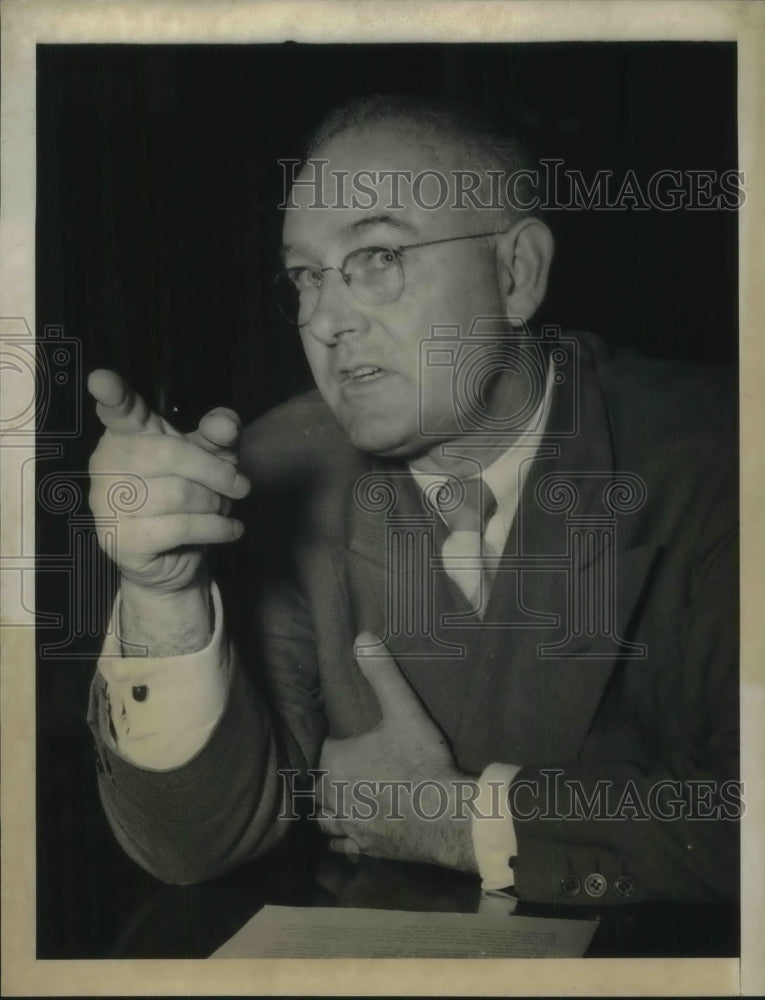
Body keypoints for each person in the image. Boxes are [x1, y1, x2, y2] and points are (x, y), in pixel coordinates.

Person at [87, 96, 739, 906]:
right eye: (303, 277)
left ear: (515, 274)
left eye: (379, 257)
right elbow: (196, 842)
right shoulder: (269, 472)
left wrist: (459, 820)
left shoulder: (719, 454)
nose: (323, 318)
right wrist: (164, 594)